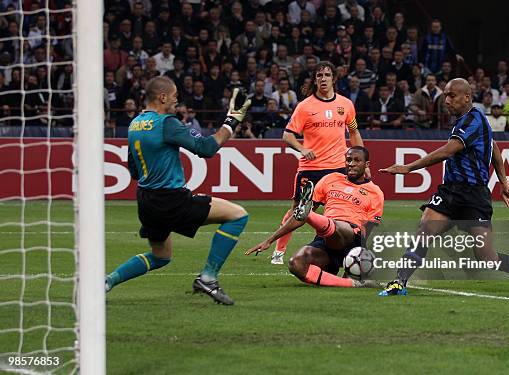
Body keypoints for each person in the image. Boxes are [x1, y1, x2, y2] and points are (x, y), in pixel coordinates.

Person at [377, 78, 509, 297]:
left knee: (487, 257)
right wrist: (504, 181)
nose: (447, 100)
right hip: (450, 192)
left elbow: (448, 151)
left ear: (467, 97)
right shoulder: (469, 121)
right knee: (425, 230)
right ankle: (399, 283)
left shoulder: (473, 120)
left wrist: (409, 168)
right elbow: (495, 148)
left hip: (474, 196)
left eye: (451, 96)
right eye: (445, 95)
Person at [105, 77, 252, 305]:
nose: (176, 101)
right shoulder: (167, 123)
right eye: (174, 96)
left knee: (160, 257)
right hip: (170, 200)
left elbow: (133, 170)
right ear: (162, 97)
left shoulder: (135, 124)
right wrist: (233, 120)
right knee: (238, 215)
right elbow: (207, 148)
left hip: (145, 201)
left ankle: (106, 282)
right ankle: (208, 278)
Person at [246, 147, 383, 288]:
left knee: (335, 224)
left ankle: (311, 215)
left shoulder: (375, 192)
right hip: (325, 240)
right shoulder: (330, 179)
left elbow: (369, 231)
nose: (351, 163)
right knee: (296, 264)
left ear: (366, 164)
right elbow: (298, 218)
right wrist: (269, 240)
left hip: (352, 239)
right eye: (348, 160)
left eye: (357, 160)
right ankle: (350, 284)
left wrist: (361, 258)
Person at [271, 61, 365, 265]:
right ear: (314, 80)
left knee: (339, 211)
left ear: (334, 78)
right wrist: (303, 149)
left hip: (339, 168)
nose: (323, 79)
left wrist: (364, 162)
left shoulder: (346, 104)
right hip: (311, 169)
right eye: (319, 75)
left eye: (327, 75)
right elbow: (287, 136)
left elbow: (354, 132)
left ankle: (336, 248)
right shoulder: (305, 107)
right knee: (299, 210)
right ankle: (279, 250)